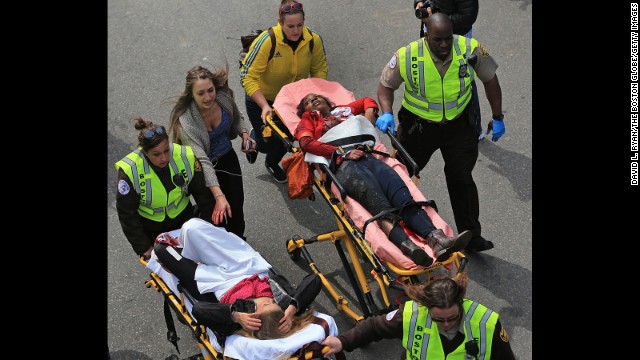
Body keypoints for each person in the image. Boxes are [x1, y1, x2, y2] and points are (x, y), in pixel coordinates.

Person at [294, 93, 471, 267]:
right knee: (380, 206)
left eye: (316, 97)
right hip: (345, 166)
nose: (314, 100)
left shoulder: (344, 111)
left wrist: (369, 118)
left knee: (404, 199)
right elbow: (306, 143)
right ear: (305, 110)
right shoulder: (309, 121)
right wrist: (342, 152)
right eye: (308, 101)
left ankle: (437, 240)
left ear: (327, 101)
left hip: (369, 157)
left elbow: (366, 101)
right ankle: (409, 248)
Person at [376, 13, 504, 252]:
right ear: (426, 35)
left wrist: (497, 117)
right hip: (418, 128)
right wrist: (386, 112)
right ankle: (390, 231)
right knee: (400, 177)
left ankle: (472, 237)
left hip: (458, 126)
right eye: (438, 40)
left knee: (462, 179)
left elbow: (490, 79)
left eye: (448, 39)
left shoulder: (470, 48)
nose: (444, 45)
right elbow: (386, 85)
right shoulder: (408, 55)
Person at [152, 217, 322, 338]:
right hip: (246, 267)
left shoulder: (237, 320)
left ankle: (187, 248)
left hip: (217, 282)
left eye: (264, 305)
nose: (268, 300)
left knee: (163, 248)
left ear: (254, 318)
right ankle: (193, 242)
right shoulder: (284, 305)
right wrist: (293, 308)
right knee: (193, 228)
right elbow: (314, 279)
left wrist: (234, 316)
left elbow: (198, 310)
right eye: (270, 302)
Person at [321, 272, 516, 359]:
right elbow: (373, 327)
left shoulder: (488, 324)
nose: (446, 325)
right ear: (427, 308)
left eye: (452, 318)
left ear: (461, 304)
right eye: (438, 319)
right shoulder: (411, 315)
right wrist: (343, 342)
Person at [240, 0, 328, 183]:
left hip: (292, 102)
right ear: (280, 22)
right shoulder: (267, 41)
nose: (296, 31)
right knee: (266, 144)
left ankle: (272, 163)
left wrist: (313, 95)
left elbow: (319, 69)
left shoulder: (313, 40)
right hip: (263, 100)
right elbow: (247, 76)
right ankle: (257, 142)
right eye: (290, 26)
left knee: (288, 139)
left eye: (300, 25)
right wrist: (264, 106)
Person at [168, 64, 254, 240]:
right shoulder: (187, 120)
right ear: (191, 95)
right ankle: (217, 245)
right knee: (215, 215)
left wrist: (245, 134)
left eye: (210, 90)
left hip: (227, 158)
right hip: (201, 167)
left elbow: (237, 119)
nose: (208, 97)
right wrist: (219, 195)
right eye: (201, 93)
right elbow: (202, 159)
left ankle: (238, 242)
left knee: (236, 208)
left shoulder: (223, 98)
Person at [115, 117, 214, 260]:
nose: (164, 158)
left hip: (183, 220)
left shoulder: (184, 156)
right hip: (152, 228)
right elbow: (126, 214)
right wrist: (144, 247)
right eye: (156, 154)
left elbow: (202, 194)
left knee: (195, 261)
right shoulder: (130, 171)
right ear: (145, 152)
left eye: (166, 150)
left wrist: (209, 226)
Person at [413, 0, 485, 139]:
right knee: (435, 74)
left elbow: (468, 16)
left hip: (456, 37)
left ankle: (474, 128)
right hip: (431, 33)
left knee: (464, 81)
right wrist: (419, 4)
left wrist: (437, 20)